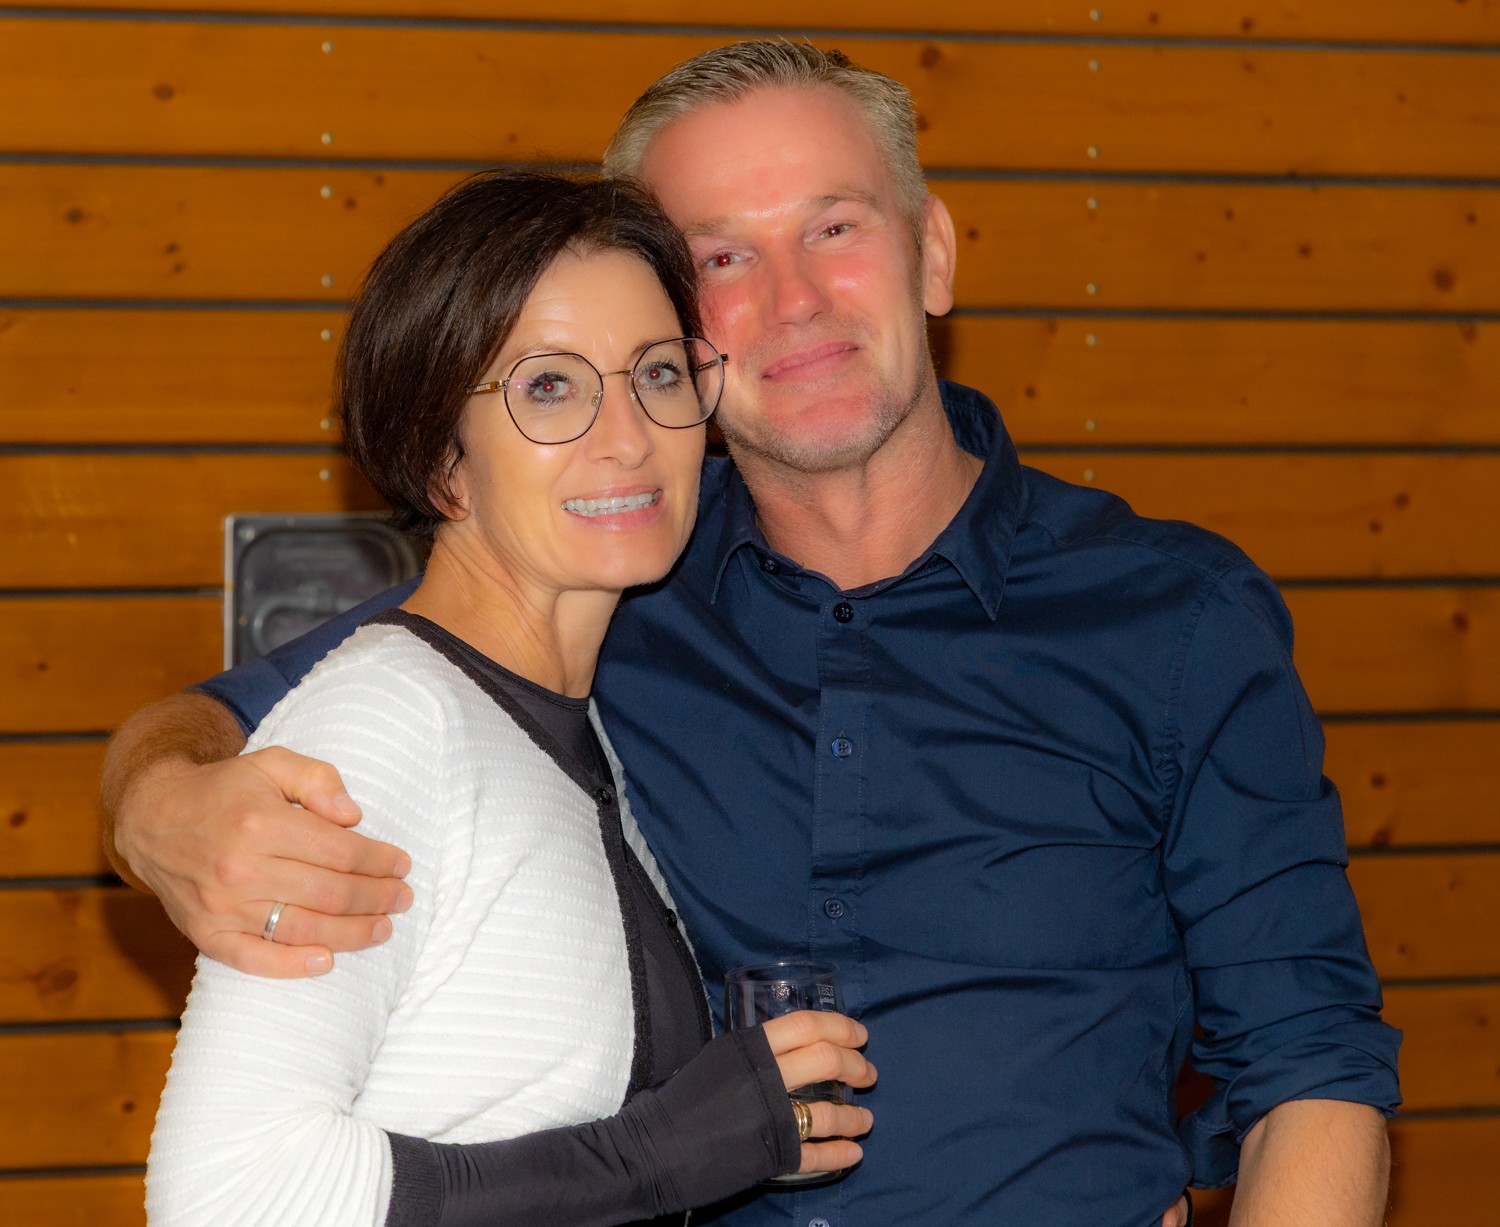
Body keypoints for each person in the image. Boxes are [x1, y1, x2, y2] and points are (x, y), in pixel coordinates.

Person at [108, 41, 1400, 1226]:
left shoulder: (1171, 615)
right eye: (722, 258)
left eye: (834, 228)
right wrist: (157, 801)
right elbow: (266, 711)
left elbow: (1313, 1071)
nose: (793, 301)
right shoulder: (606, 572)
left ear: (932, 253)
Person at [142, 169, 876, 1227]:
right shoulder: (393, 723)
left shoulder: (564, 728)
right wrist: (671, 1152)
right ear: (443, 460)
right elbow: (229, 1196)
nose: (629, 437)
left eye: (658, 373)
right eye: (550, 388)